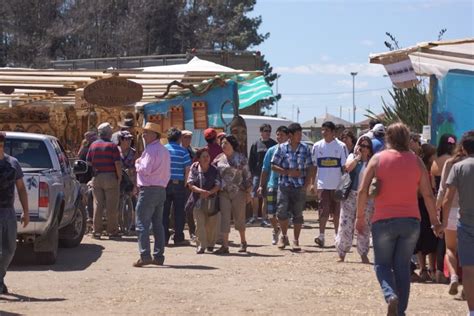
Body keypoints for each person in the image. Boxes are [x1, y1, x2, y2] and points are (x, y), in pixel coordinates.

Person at [356, 123, 443, 316]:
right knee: (402, 267)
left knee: (382, 264)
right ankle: (400, 311)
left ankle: (390, 295)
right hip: (411, 221)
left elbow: (362, 190)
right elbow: (428, 195)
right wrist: (435, 222)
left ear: (388, 138)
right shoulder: (417, 161)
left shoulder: (377, 159)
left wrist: (360, 217)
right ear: (406, 139)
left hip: (383, 220)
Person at [443, 130, 474, 313]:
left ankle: (471, 311)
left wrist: (442, 222)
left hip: (466, 224)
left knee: (469, 270)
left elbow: (447, 199)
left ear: (463, 148)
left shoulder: (458, 167)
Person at [133, 122, 170, 267]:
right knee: (158, 224)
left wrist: (137, 164)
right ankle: (159, 256)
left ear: (154, 135)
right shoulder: (164, 150)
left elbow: (146, 169)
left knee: (142, 223)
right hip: (161, 189)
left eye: (146, 132)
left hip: (148, 189)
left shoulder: (150, 150)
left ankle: (145, 255)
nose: (144, 134)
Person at [271, 123, 314, 251]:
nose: (300, 136)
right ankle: (284, 236)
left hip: (299, 186)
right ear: (290, 135)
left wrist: (307, 184)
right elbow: (273, 165)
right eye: (298, 134)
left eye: (301, 134)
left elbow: (310, 167)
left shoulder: (305, 148)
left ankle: (296, 240)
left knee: (298, 214)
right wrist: (288, 172)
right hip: (284, 185)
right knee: (281, 212)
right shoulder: (282, 148)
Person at [335, 136, 374, 263]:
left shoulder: (372, 162)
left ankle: (363, 252)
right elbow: (347, 168)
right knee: (345, 223)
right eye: (361, 145)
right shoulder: (352, 157)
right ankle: (342, 252)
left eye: (366, 146)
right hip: (351, 194)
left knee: (364, 224)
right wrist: (357, 158)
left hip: (366, 197)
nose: (363, 149)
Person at [310, 121, 347, 247]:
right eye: (322, 130)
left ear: (333, 132)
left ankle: (337, 236)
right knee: (323, 211)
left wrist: (344, 185)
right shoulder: (317, 146)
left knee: (337, 213)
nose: (323, 132)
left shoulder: (341, 146)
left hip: (337, 185)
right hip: (323, 184)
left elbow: (345, 167)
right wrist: (312, 184)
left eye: (326, 130)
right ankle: (321, 236)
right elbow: (314, 166)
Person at [0, 131, 29, 294]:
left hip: (8, 211)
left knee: (9, 249)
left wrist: (26, 212)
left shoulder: (12, 163)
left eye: (1, 144)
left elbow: (21, 188)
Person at [213, 135, 252, 254]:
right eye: (222, 143)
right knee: (224, 218)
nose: (223, 146)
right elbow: (214, 174)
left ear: (232, 144)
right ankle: (225, 245)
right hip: (223, 192)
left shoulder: (241, 158)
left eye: (226, 143)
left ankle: (243, 242)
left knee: (239, 217)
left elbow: (247, 175)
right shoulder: (218, 159)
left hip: (239, 191)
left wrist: (249, 192)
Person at [437, 145, 465, 296]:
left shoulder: (450, 163)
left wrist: (437, 208)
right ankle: (467, 286)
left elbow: (443, 189)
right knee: (468, 251)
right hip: (469, 211)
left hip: (451, 209)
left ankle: (453, 276)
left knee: (450, 248)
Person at [86, 122, 122, 239]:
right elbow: (117, 163)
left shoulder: (93, 145)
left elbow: (89, 162)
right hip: (111, 177)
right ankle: (112, 231)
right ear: (108, 133)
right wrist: (119, 176)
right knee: (112, 206)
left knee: (98, 204)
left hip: (97, 177)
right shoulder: (112, 146)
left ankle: (96, 231)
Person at [257, 126, 289, 245]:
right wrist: (261, 185)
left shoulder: (290, 151)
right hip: (272, 185)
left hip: (286, 185)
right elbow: (265, 169)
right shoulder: (271, 150)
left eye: (282, 135)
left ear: (287, 136)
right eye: (278, 135)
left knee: (282, 212)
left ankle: (284, 236)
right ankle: (276, 229)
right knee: (270, 213)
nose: (279, 137)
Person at [432, 133, 457, 283]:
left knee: (441, 238)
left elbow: (436, 185)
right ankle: (448, 271)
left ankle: (438, 270)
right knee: (451, 241)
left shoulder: (435, 160)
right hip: (453, 201)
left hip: (440, 201)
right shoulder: (452, 162)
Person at [186, 148, 221, 254]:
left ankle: (210, 244)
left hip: (211, 201)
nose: (206, 158)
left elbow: (218, 184)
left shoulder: (214, 170)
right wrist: (200, 191)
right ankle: (201, 245)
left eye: (207, 156)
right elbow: (190, 183)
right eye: (203, 156)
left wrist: (209, 192)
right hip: (197, 200)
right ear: (199, 159)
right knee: (199, 224)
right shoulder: (194, 167)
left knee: (211, 224)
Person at [413, 144, 438, 282]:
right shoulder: (424, 169)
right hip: (424, 204)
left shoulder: (430, 169)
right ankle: (425, 269)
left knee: (427, 237)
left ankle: (428, 269)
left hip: (422, 204)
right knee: (425, 237)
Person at [163, 127, 192, 246]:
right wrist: (186, 183)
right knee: (179, 211)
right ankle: (178, 237)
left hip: (165, 183)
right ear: (179, 138)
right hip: (179, 183)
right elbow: (187, 168)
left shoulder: (163, 150)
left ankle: (164, 237)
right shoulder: (183, 151)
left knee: (164, 211)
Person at [247, 123, 277, 227]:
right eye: (265, 130)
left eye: (269, 131)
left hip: (269, 174)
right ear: (261, 132)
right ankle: (254, 216)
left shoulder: (274, 144)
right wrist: (250, 173)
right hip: (257, 173)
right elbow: (251, 160)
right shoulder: (256, 144)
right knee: (254, 195)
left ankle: (264, 218)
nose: (267, 133)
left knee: (265, 196)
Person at [77, 131, 98, 222]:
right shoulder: (90, 151)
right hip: (87, 182)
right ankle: (91, 217)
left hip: (81, 181)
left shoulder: (82, 150)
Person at [181, 130, 196, 241]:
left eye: (189, 137)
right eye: (186, 137)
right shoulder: (180, 150)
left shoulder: (192, 151)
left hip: (189, 183)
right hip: (179, 181)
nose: (188, 139)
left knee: (189, 207)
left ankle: (192, 232)